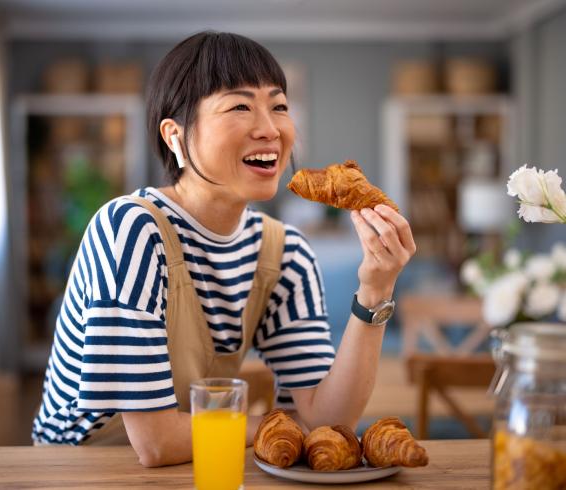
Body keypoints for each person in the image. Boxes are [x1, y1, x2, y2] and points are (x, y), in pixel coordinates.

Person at [32, 31, 416, 467]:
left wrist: (375, 290)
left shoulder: (285, 253)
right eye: (239, 107)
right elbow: (156, 443)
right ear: (175, 137)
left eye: (279, 106)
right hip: (77, 468)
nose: (270, 129)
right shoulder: (130, 230)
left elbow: (326, 420)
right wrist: (278, 427)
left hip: (200, 462)